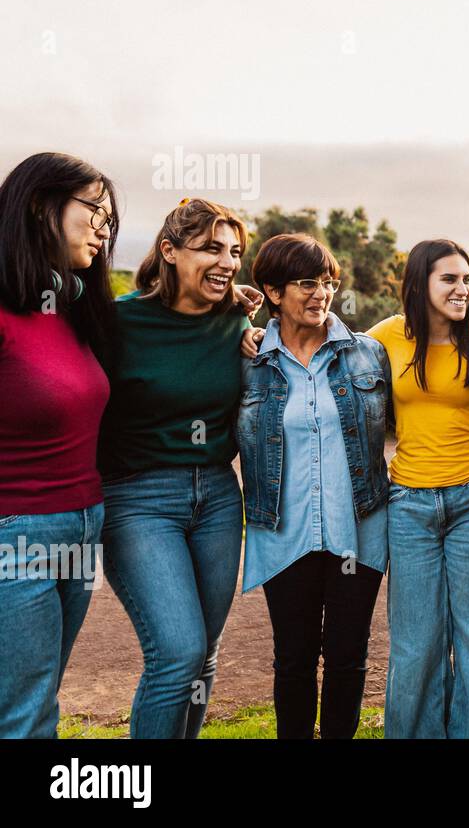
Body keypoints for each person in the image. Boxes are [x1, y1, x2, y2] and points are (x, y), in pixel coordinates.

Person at [97, 198, 257, 739]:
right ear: (169, 250)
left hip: (216, 495)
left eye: (235, 252)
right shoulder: (119, 321)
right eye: (211, 248)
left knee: (203, 656)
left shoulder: (237, 319)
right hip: (137, 500)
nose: (227, 262)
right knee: (177, 652)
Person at [369, 239, 469, 739]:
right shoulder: (386, 337)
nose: (463, 289)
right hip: (409, 503)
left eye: (467, 280)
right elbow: (321, 348)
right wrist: (251, 331)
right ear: (419, 284)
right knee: (417, 642)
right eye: (449, 279)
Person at [237, 234, 391, 739]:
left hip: (358, 529)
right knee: (293, 660)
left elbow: (418, 423)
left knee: (349, 657)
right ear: (273, 291)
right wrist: (234, 317)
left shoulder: (369, 355)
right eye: (307, 282)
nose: (320, 293)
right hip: (285, 535)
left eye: (328, 282)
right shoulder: (248, 359)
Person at [0, 153, 116, 738]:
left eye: (109, 218)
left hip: (82, 526)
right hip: (15, 536)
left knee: (38, 700)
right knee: (24, 717)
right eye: (94, 211)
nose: (104, 227)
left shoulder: (73, 308)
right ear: (43, 207)